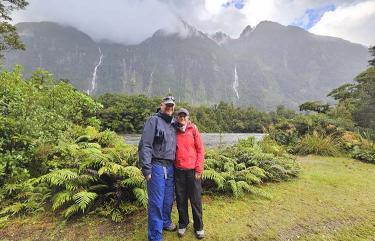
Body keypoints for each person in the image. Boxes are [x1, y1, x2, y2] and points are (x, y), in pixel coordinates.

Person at [138, 95, 177, 241]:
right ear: (161, 105)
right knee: (156, 201)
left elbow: (185, 127)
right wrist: (146, 168)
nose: (169, 107)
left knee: (168, 199)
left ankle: (166, 222)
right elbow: (145, 145)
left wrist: (192, 125)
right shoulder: (153, 121)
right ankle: (155, 236)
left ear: (174, 107)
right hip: (156, 166)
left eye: (171, 105)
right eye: (167, 105)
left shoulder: (173, 124)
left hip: (170, 167)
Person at [174, 108, 205, 239]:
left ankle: (198, 227)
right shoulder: (173, 129)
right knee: (181, 199)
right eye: (180, 116)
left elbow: (200, 150)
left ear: (188, 117)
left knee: (195, 200)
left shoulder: (193, 130)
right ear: (177, 118)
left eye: (184, 116)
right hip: (178, 171)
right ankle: (183, 223)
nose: (182, 118)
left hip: (193, 171)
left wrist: (199, 168)